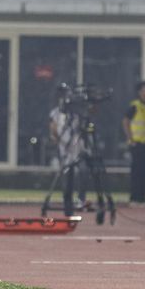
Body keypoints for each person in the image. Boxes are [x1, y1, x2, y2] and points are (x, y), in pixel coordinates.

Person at [49, 83, 87, 216]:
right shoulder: (55, 112)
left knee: (82, 171)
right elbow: (53, 128)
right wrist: (59, 140)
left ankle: (81, 199)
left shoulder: (76, 111)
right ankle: (68, 204)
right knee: (67, 175)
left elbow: (82, 125)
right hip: (64, 147)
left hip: (76, 145)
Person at [122, 81, 145, 206]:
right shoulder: (135, 106)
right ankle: (135, 198)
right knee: (137, 171)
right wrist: (131, 139)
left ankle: (142, 198)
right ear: (139, 92)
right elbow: (125, 121)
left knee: (144, 171)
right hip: (136, 143)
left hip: (144, 143)